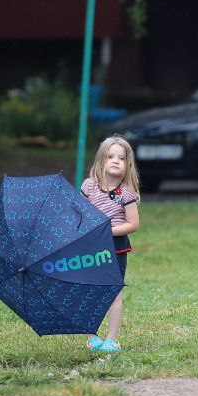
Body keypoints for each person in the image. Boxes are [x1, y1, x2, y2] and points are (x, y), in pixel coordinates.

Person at [80, 135, 141, 353]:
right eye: (110, 156)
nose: (115, 160)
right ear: (100, 160)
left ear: (128, 164)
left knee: (113, 292)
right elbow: (80, 214)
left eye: (121, 158)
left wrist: (109, 231)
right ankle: (91, 337)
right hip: (91, 248)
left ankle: (112, 339)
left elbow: (133, 224)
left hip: (115, 248)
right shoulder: (89, 187)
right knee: (90, 290)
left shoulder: (126, 194)